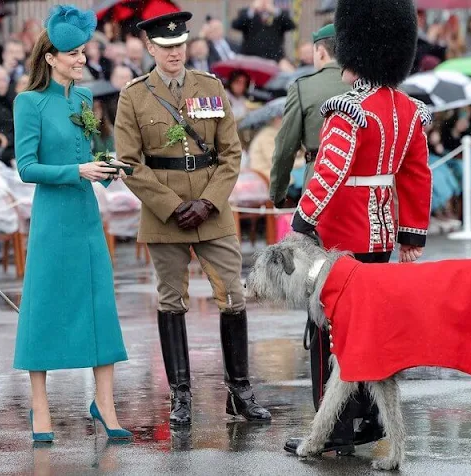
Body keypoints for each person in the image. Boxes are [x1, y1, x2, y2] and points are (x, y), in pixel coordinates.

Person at [285, 0, 432, 454]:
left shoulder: (349, 110)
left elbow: (329, 170)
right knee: (370, 327)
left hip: (340, 234)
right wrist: (410, 236)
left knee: (331, 333)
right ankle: (369, 418)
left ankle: (335, 428)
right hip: (381, 233)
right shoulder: (408, 109)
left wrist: (303, 220)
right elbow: (416, 175)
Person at [114, 11, 271, 426]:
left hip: (211, 208)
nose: (174, 53)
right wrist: (170, 205)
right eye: (165, 47)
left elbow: (230, 153)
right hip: (164, 214)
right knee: (171, 300)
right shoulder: (134, 95)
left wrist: (208, 202)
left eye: (180, 45)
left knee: (234, 296)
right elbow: (129, 162)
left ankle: (239, 392)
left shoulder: (210, 87)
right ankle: (180, 396)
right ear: (150, 47)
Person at [12, 4, 131, 443]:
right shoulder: (28, 102)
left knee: (99, 305)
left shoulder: (83, 99)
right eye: (72, 53)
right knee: (42, 308)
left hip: (85, 214)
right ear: (50, 57)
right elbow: (26, 167)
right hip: (51, 219)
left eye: (83, 51)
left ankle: (105, 403)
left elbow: (87, 156)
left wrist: (106, 164)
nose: (81, 59)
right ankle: (39, 407)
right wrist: (76, 172)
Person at [269, 24, 350, 208]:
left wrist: (278, 193)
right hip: (364, 185)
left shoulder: (303, 87)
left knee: (320, 236)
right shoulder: (368, 83)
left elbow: (285, 147)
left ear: (321, 52)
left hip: (319, 181)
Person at [231, 0, 296, 62]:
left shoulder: (279, 13)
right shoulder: (247, 12)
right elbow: (235, 25)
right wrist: (252, 10)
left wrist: (275, 11)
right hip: (250, 57)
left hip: (275, 58)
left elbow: (291, 26)